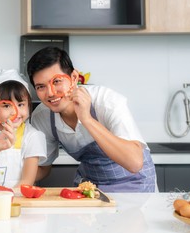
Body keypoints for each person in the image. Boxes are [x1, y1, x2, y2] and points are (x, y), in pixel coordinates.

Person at [26, 46, 157, 192]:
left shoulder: (106, 101)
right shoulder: (42, 116)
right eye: (41, 87)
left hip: (136, 184)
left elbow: (135, 162)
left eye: (57, 81)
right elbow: (43, 167)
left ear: (74, 77)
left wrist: (87, 119)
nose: (50, 93)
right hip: (91, 188)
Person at [0, 69, 47, 188]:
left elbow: (27, 181)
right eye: (6, 105)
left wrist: (3, 198)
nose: (15, 112)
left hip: (18, 200)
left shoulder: (33, 136)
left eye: (21, 104)